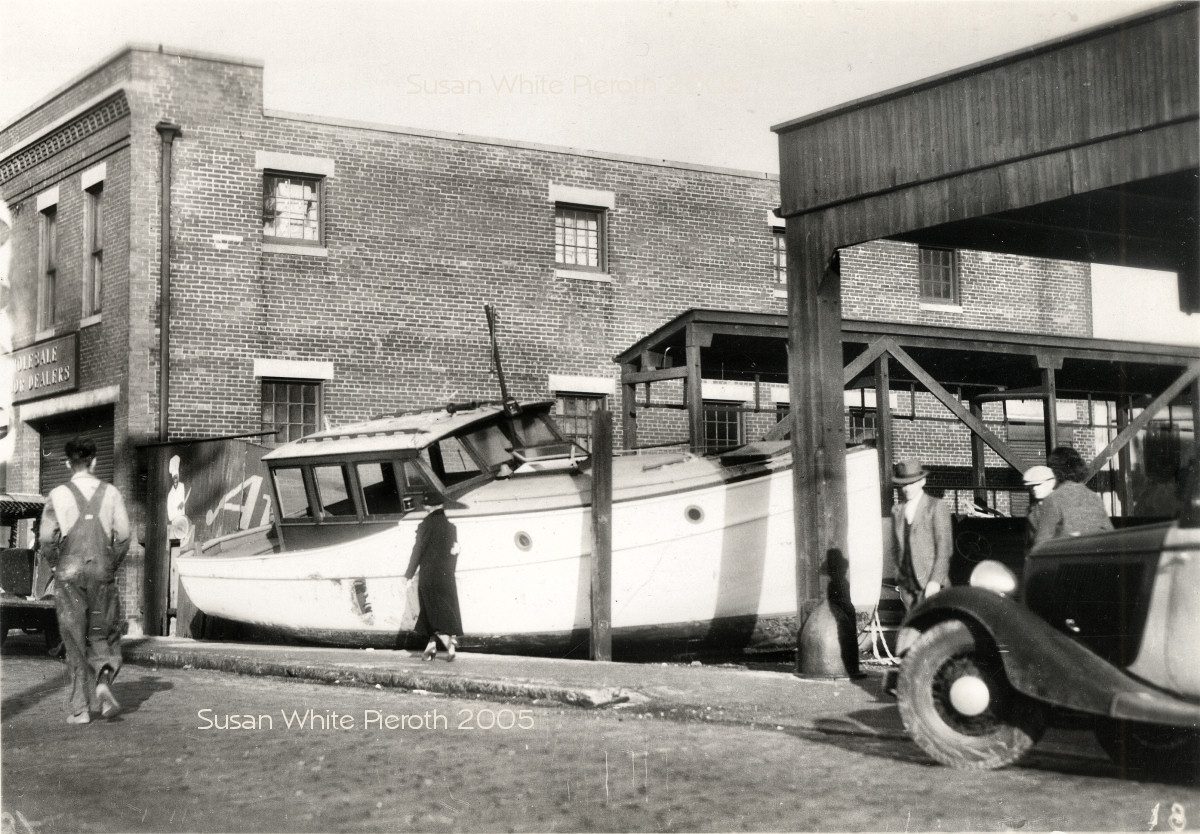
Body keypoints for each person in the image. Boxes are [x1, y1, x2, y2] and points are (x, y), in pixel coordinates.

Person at [39, 437, 131, 724]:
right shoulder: (112, 493)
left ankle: (80, 710)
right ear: (94, 461)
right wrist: (110, 564)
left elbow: (46, 539)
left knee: (74, 637)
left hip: (68, 574)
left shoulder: (57, 494)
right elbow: (124, 536)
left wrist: (57, 565)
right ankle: (103, 681)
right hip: (101, 572)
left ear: (68, 463)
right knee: (105, 631)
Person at [404, 494, 462, 661]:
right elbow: (454, 551)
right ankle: (432, 648)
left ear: (429, 506)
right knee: (437, 610)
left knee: (431, 611)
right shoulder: (451, 527)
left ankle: (447, 642)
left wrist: (409, 573)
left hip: (429, 575)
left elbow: (418, 550)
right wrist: (449, 571)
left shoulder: (425, 525)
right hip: (446, 575)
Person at [890, 458, 953, 612]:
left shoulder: (936, 506)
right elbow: (895, 547)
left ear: (922, 481)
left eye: (912, 483)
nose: (907, 488)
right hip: (907, 586)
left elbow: (944, 549)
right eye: (904, 484)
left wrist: (935, 581)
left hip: (930, 585)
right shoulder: (897, 511)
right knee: (912, 624)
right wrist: (899, 577)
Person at [1030, 446, 1113, 546]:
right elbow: (1109, 533)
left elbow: (1041, 543)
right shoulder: (1094, 497)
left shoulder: (1053, 499)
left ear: (1055, 471)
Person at [1021, 464, 1056, 552]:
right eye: (1031, 486)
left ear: (1051, 483)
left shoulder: (1062, 506)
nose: (1034, 488)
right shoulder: (1031, 510)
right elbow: (1029, 542)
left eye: (1038, 484)